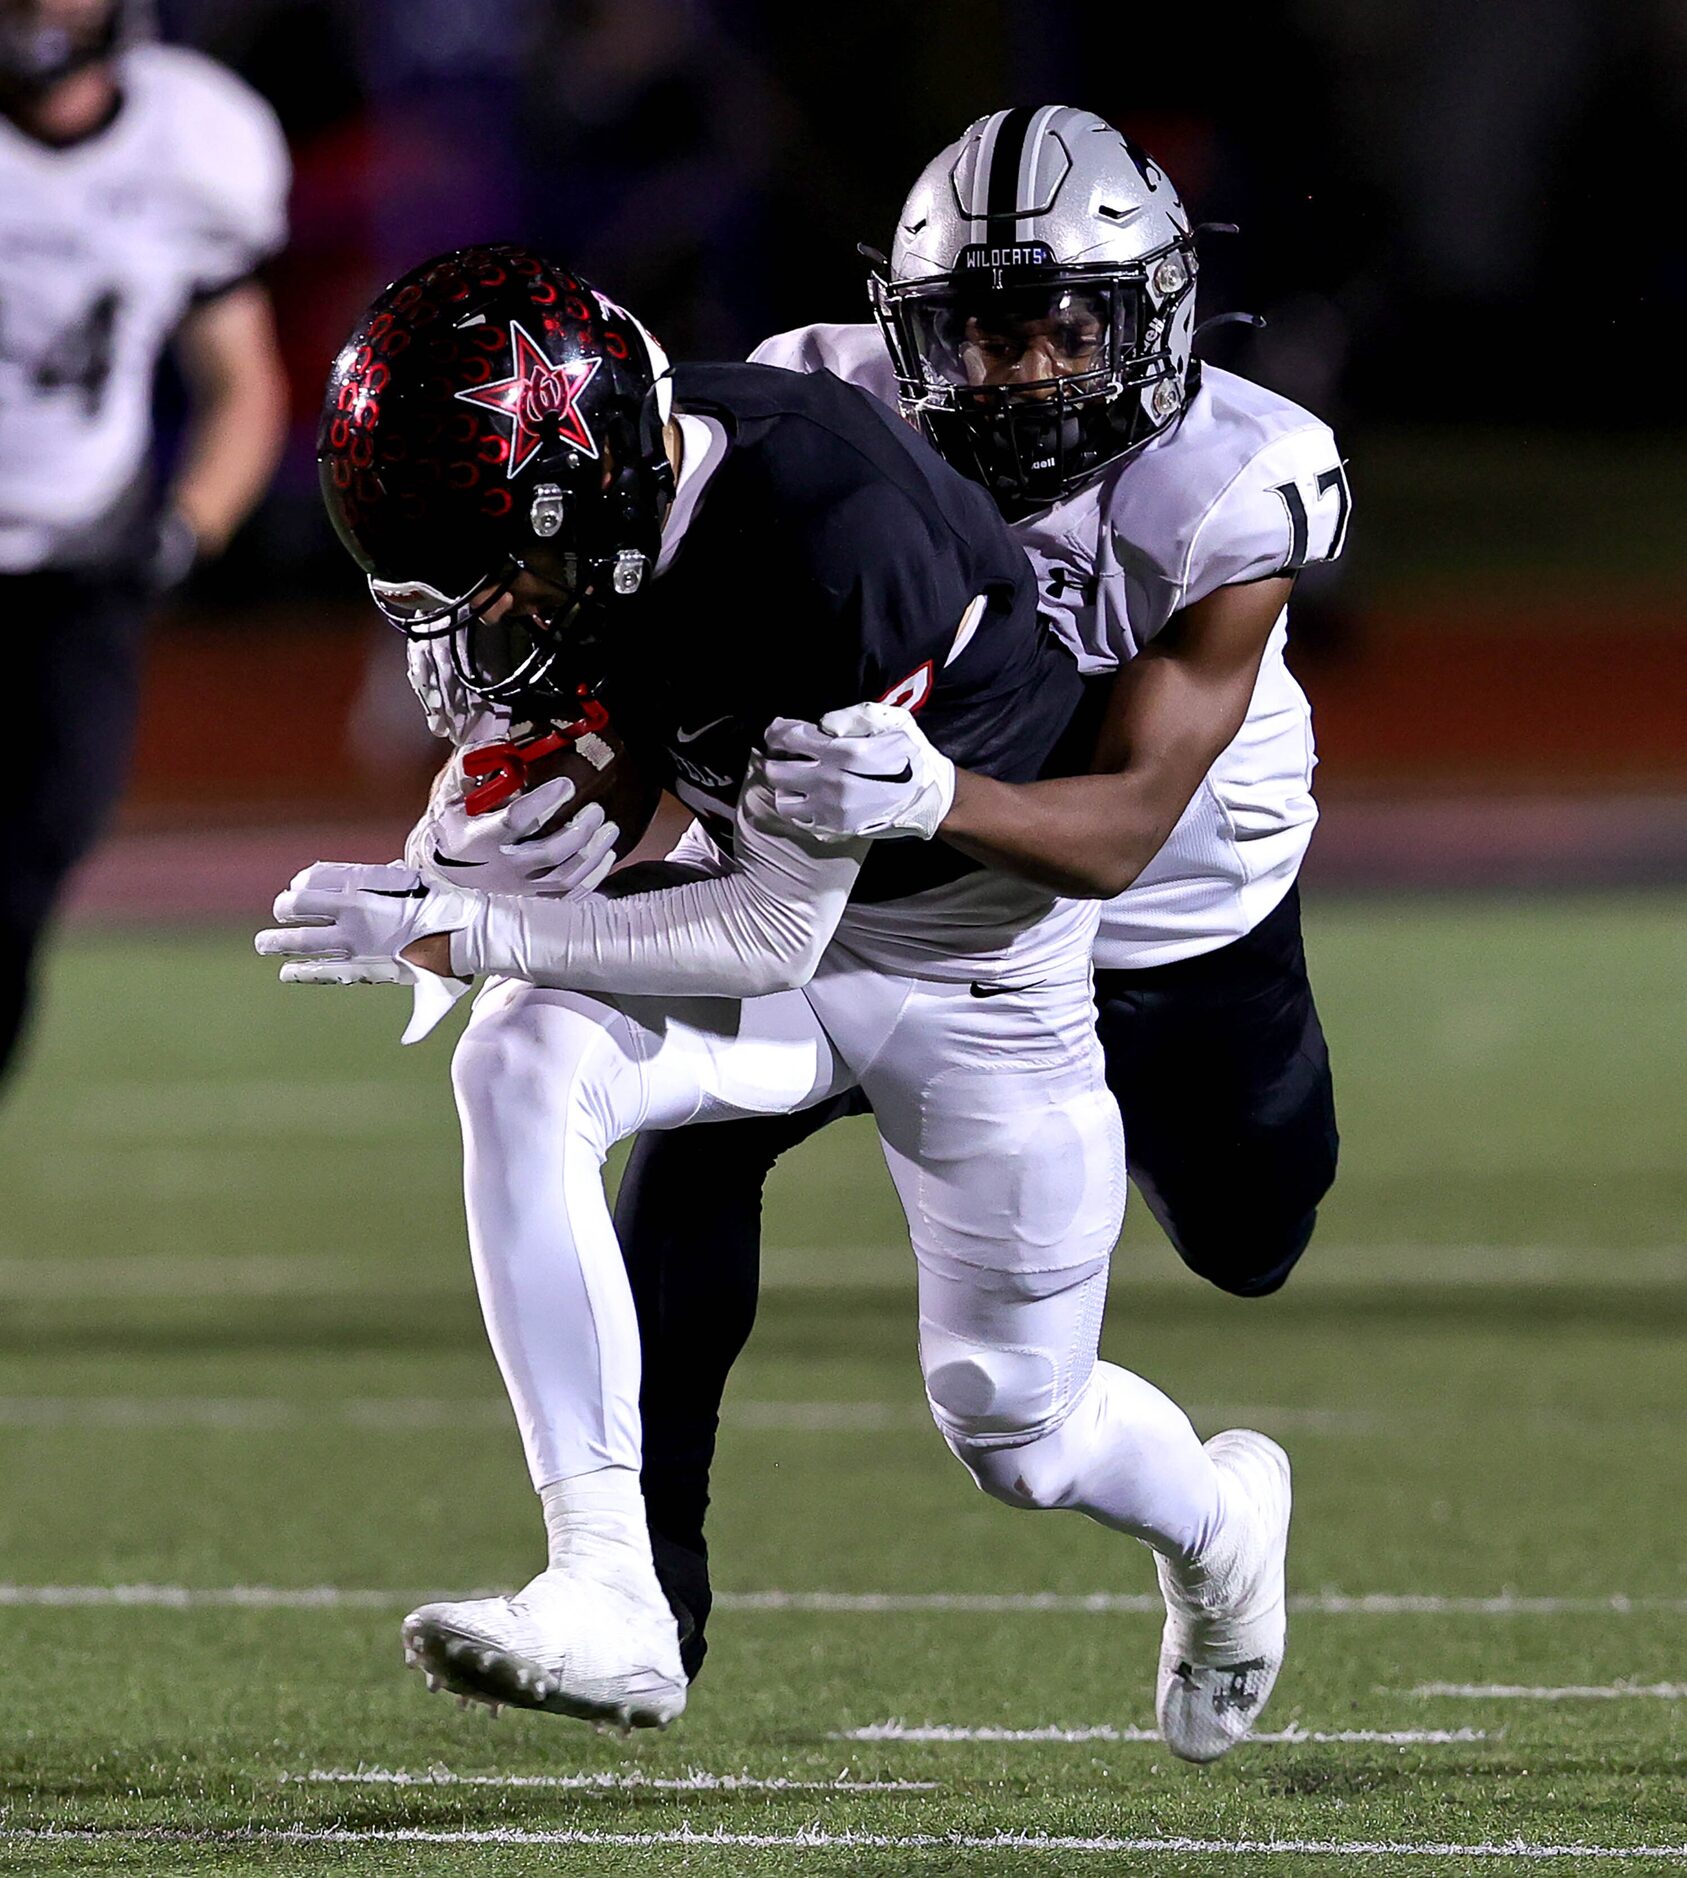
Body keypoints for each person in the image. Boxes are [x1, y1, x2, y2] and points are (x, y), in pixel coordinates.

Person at [257, 243, 1292, 1762]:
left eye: (499, 575)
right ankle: (605, 1577)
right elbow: (649, 763)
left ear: (582, 494)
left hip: (967, 971)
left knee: (1013, 1425)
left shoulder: (826, 539)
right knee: (523, 1058)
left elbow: (760, 934)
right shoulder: (625, 492)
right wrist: (500, 855)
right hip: (800, 917)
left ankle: (1220, 1526)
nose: (483, 625)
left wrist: (475, 919)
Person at [612, 106, 1348, 1692]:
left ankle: (1227, 1505)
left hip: (1169, 914)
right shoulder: (817, 401)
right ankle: (639, 1573)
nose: (1006, 373)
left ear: (1145, 313)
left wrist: (936, 789)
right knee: (681, 1152)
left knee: (1248, 1238)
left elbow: (1125, 828)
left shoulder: (1237, 477)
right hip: (887, 903)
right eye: (969, 333)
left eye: (1052, 330)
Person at [0, 0, 289, 1080]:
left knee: (20, 885)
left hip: (76, 573)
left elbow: (242, 383)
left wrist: (180, 537)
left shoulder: (195, 140)